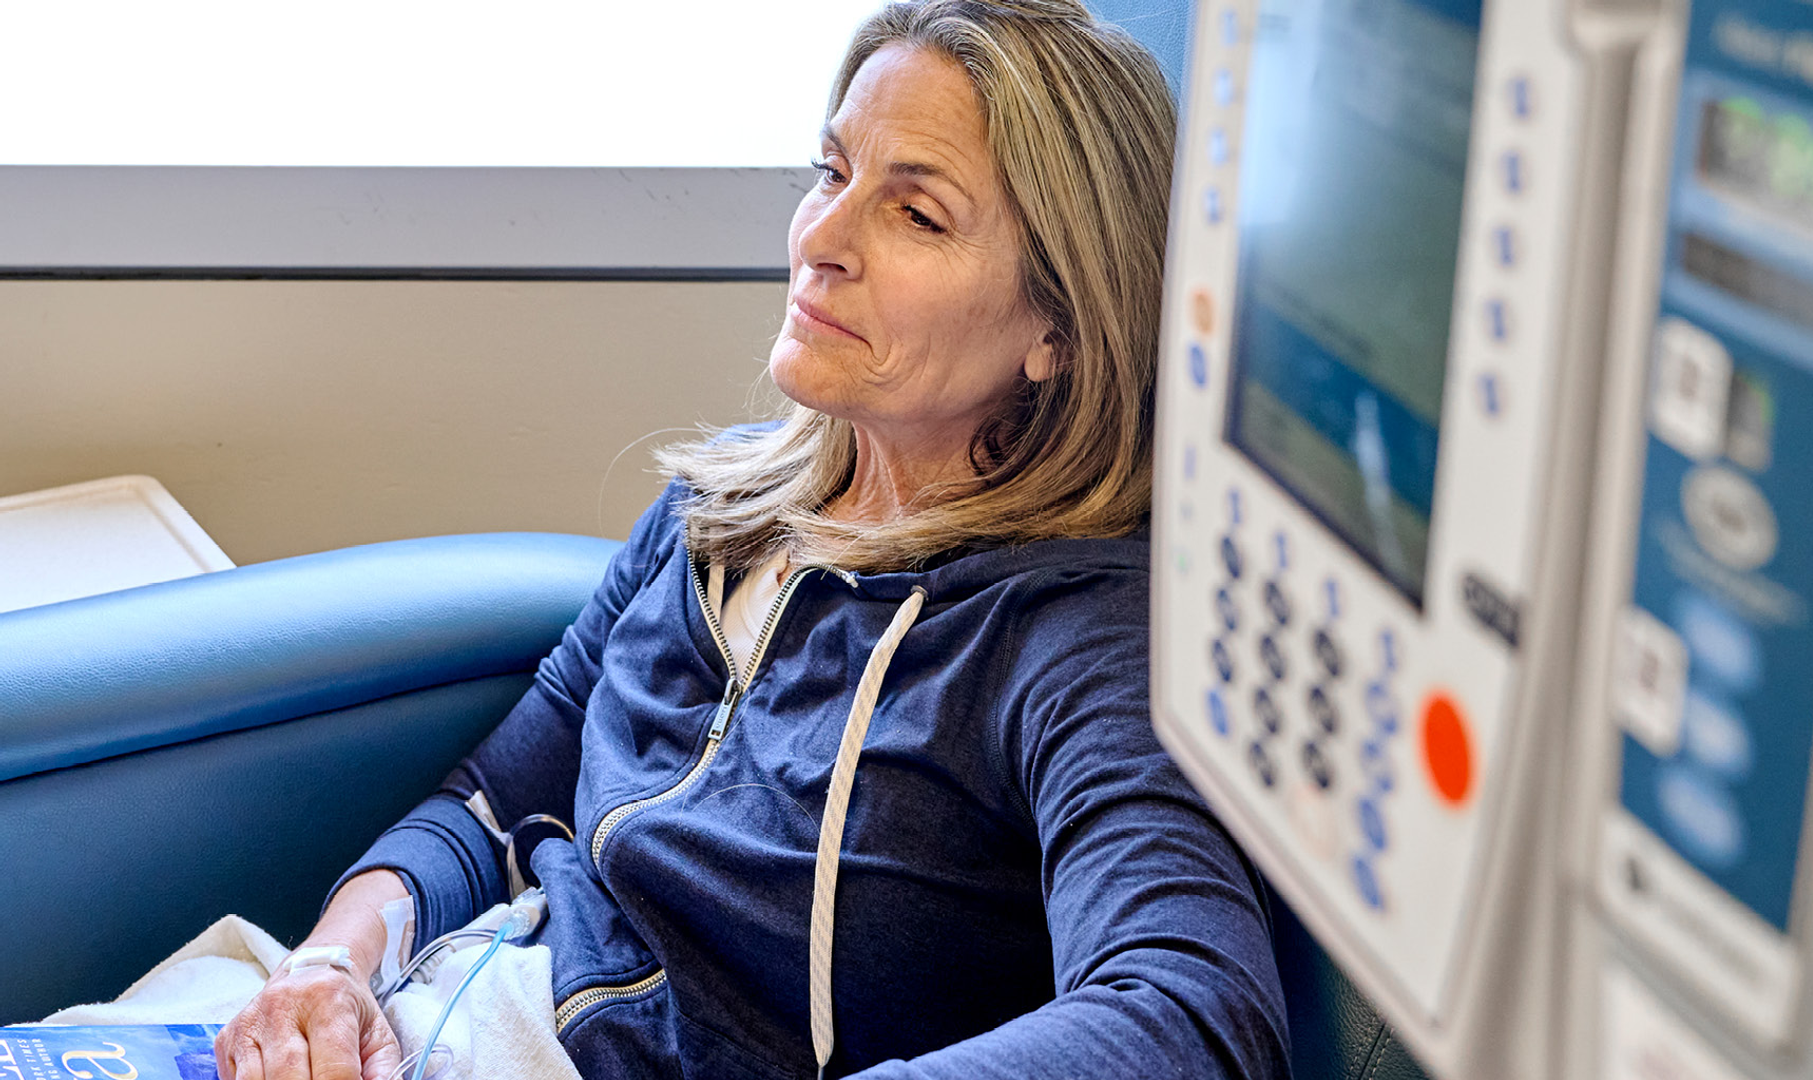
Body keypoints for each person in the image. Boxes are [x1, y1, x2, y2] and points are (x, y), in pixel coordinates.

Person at [215, 2, 1287, 1077]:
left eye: (916, 216)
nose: (821, 242)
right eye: (831, 175)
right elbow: (491, 808)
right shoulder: (719, 508)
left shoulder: (1078, 641)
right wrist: (331, 970)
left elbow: (1193, 1013)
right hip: (410, 1011)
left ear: (1056, 325)